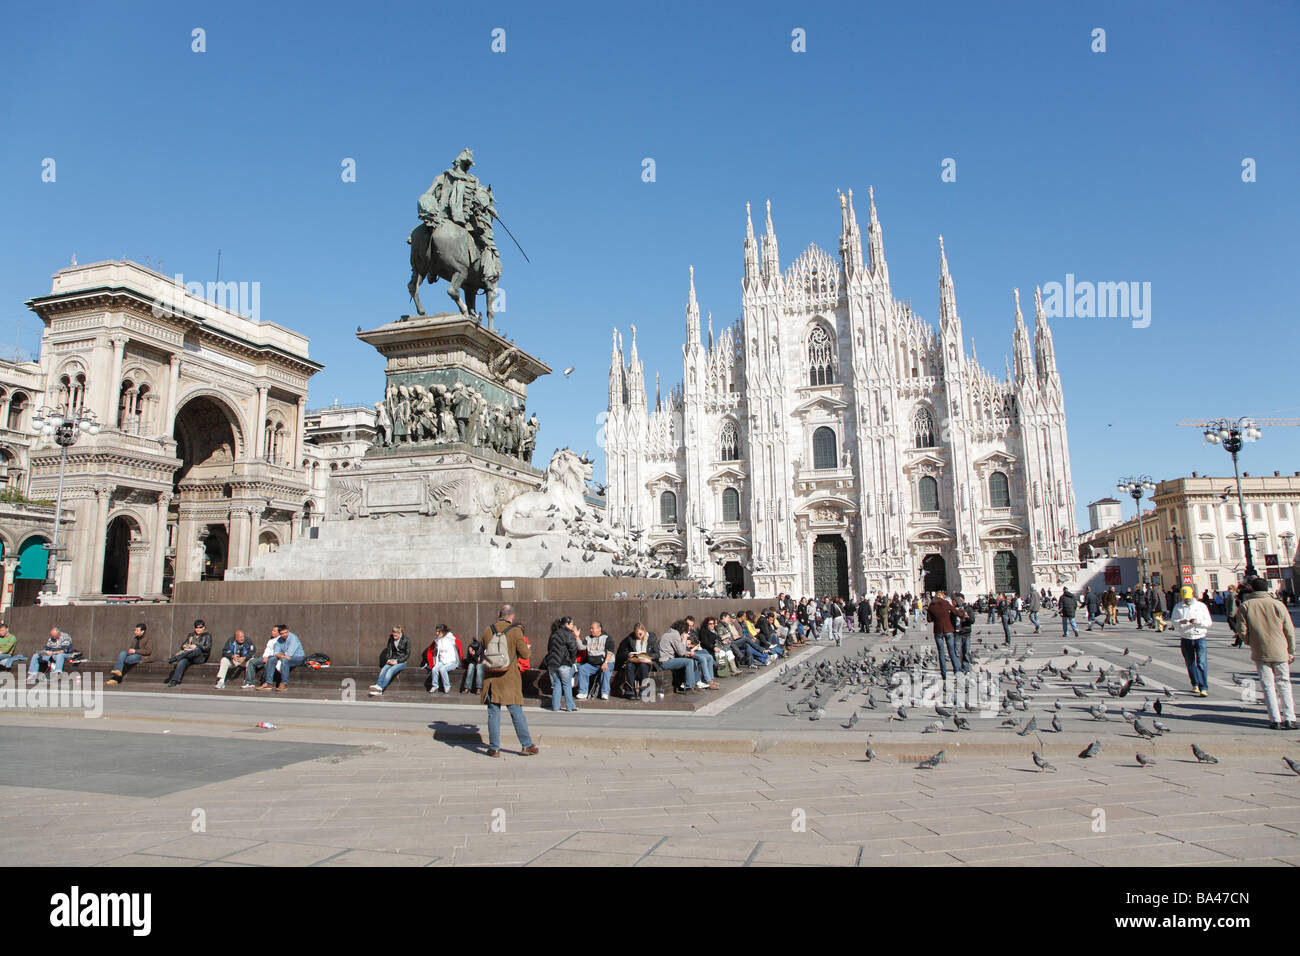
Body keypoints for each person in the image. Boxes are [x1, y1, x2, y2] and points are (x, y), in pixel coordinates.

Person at [1235, 578, 1297, 729]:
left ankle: (1275, 719)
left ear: (1252, 589)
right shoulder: (1278, 604)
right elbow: (1289, 630)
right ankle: (1290, 718)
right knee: (1284, 683)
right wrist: (1291, 650)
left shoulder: (1246, 605)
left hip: (1260, 650)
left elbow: (1241, 631)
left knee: (1267, 685)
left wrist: (1251, 641)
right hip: (1280, 649)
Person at [479, 605, 538, 757]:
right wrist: (527, 648)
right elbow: (525, 655)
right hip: (509, 678)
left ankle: (494, 748)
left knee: (493, 713)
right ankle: (526, 745)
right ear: (511, 617)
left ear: (498, 614)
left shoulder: (487, 630)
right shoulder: (515, 631)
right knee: (516, 712)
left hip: (491, 678)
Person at [1169, 584, 1212, 698]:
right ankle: (1195, 684)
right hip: (1186, 637)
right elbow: (1174, 621)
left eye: (1188, 597)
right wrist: (1180, 622)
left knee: (1201, 663)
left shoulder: (1201, 606)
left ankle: (1204, 687)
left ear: (1193, 594)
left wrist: (1198, 622)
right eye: (1185, 598)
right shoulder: (1178, 607)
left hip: (1199, 637)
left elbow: (1208, 623)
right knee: (1190, 663)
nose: (1187, 599)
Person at [542, 616, 581, 712]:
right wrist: (572, 660)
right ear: (567, 624)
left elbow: (549, 648)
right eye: (571, 624)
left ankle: (555, 706)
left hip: (552, 663)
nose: (573, 626)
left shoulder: (554, 634)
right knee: (566, 684)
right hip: (564, 663)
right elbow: (573, 648)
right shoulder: (568, 634)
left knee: (556, 684)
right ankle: (570, 706)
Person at [657, 620, 707, 692]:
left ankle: (694, 684)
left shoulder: (669, 633)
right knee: (689, 662)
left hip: (666, 660)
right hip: (666, 661)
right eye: (685, 632)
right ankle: (689, 687)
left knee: (692, 659)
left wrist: (688, 653)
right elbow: (681, 652)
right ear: (683, 630)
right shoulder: (675, 635)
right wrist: (684, 639)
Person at [253, 625, 305, 691]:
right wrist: (281, 655)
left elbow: (289, 654)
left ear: (288, 631)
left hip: (298, 658)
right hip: (285, 657)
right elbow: (276, 653)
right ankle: (268, 683)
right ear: (280, 634)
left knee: (284, 660)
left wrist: (281, 655)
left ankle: (284, 683)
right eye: (282, 633)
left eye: (286, 632)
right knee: (271, 659)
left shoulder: (293, 638)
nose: (284, 635)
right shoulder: (279, 640)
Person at [616, 622, 659, 698]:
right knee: (629, 666)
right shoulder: (630, 639)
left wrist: (647, 655)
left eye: (640, 634)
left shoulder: (651, 639)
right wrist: (629, 654)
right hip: (635, 661)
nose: (639, 636)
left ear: (644, 631)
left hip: (646, 661)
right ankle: (630, 692)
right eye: (637, 634)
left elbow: (657, 654)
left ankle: (643, 692)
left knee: (643, 666)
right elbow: (623, 652)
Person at [576, 621, 616, 700]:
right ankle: (583, 692)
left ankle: (604, 692)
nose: (591, 630)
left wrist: (605, 662)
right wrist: (577, 637)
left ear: (599, 629)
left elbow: (610, 652)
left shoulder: (607, 638)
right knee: (582, 669)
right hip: (592, 664)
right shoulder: (588, 638)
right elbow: (582, 647)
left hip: (605, 662)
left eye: (592, 628)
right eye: (590, 628)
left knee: (606, 669)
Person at [926, 590, 960, 681]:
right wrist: (963, 614)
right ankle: (956, 671)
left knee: (941, 653)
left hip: (938, 631)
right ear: (942, 596)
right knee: (952, 651)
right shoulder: (945, 603)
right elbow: (955, 612)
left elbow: (929, 619)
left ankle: (944, 674)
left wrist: (936, 618)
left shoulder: (931, 606)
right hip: (948, 630)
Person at [166, 619, 212, 686]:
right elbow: (183, 645)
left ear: (204, 627)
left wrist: (197, 646)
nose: (198, 629)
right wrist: (184, 646)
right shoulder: (191, 635)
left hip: (200, 657)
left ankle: (175, 658)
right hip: (189, 656)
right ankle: (174, 681)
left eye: (200, 627)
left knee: (197, 650)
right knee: (182, 662)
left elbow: (207, 648)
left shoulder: (207, 636)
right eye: (196, 627)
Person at [369, 625, 410, 697]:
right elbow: (389, 651)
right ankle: (378, 685)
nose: (394, 637)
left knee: (390, 670)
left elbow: (407, 655)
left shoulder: (406, 640)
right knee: (384, 668)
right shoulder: (391, 639)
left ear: (400, 633)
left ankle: (381, 688)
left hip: (401, 662)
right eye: (393, 635)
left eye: (396, 636)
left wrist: (397, 661)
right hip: (392, 660)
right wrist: (389, 659)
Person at [426, 624, 462, 694]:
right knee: (434, 669)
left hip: (452, 662)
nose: (437, 633)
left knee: (443, 669)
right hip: (442, 661)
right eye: (436, 631)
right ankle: (435, 686)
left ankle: (447, 686)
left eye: (438, 632)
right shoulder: (437, 640)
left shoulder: (450, 639)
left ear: (443, 632)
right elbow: (433, 651)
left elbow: (458, 648)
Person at [459, 630, 485, 695]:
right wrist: (472, 655)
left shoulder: (482, 648)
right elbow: (468, 660)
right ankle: (467, 688)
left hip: (481, 663)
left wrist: (473, 655)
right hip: (473, 662)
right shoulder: (470, 648)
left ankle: (479, 688)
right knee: (470, 667)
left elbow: (480, 660)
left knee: (479, 668)